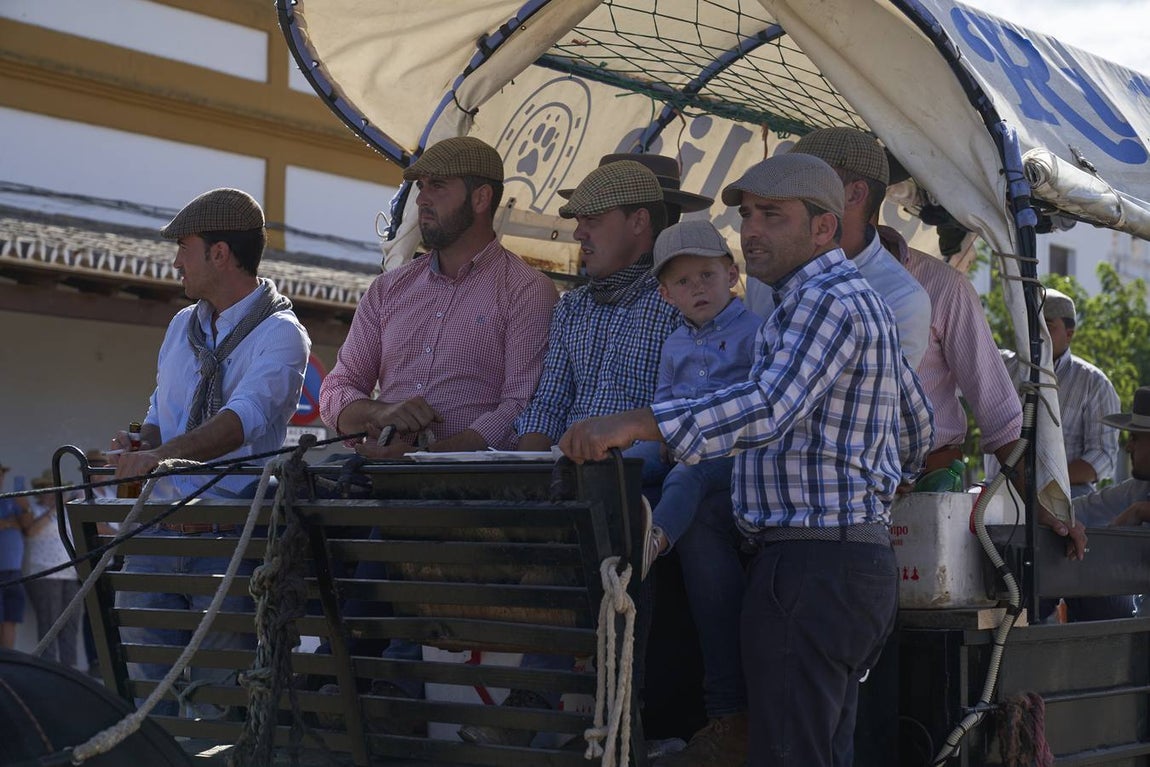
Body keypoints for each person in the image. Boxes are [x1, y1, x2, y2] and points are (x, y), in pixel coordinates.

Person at [559, 152, 936, 767]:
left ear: (822, 228)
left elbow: (769, 407)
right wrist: (881, 484)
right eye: (747, 214)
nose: (752, 229)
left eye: (772, 216)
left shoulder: (824, 301)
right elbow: (916, 420)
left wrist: (636, 421)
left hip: (813, 564)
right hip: (842, 563)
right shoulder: (840, 300)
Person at [109, 187, 311, 717]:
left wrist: (161, 457)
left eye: (185, 246)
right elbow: (160, 416)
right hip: (157, 532)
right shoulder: (181, 327)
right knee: (145, 702)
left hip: (229, 541)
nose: (176, 259)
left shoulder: (282, 335)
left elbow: (239, 423)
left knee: (220, 705)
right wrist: (140, 443)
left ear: (220, 254)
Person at [319, 136, 557, 454]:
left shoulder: (526, 291)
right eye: (421, 186)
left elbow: (521, 406)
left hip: (474, 493)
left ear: (481, 198)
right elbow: (336, 390)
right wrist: (380, 412)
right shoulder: (386, 290)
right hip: (379, 481)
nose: (421, 200)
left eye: (438, 186)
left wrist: (426, 458)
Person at [623, 219, 761, 575]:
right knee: (625, 465)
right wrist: (663, 435)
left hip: (729, 450)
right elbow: (664, 397)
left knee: (686, 476)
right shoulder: (674, 343)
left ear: (731, 275)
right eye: (683, 282)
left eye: (707, 275)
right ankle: (602, 535)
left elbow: (760, 400)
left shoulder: (755, 331)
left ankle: (655, 541)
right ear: (666, 294)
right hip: (673, 440)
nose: (698, 288)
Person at [515, 159, 683, 450]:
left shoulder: (677, 303)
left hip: (640, 480)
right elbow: (549, 406)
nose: (579, 233)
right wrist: (527, 472)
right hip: (571, 473)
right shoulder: (573, 307)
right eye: (579, 221)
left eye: (592, 220)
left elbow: (684, 415)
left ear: (639, 222)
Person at [744, 127, 931, 369]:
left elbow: (877, 401)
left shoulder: (900, 297)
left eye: (809, 181)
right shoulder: (767, 268)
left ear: (855, 194)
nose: (791, 193)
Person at [1003, 288, 1121, 498]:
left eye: (1046, 325)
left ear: (1069, 334)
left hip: (1065, 497)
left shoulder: (1094, 383)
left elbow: (1102, 457)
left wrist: (1041, 479)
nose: (1035, 332)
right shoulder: (1003, 366)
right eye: (1030, 323)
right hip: (1002, 492)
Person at [22, 471, 82, 667]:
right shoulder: (32, 509)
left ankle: (69, 669)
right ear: (40, 492)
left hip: (69, 573)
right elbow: (30, 532)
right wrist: (53, 510)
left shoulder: (67, 513)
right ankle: (47, 668)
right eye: (47, 490)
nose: (51, 493)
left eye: (55, 489)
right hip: (44, 573)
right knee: (49, 623)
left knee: (71, 623)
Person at [0, 462, 32, 650]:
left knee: (11, 618)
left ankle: (8, 663)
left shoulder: (11, 500)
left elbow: (27, 527)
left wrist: (25, 508)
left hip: (14, 569)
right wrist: (10, 523)